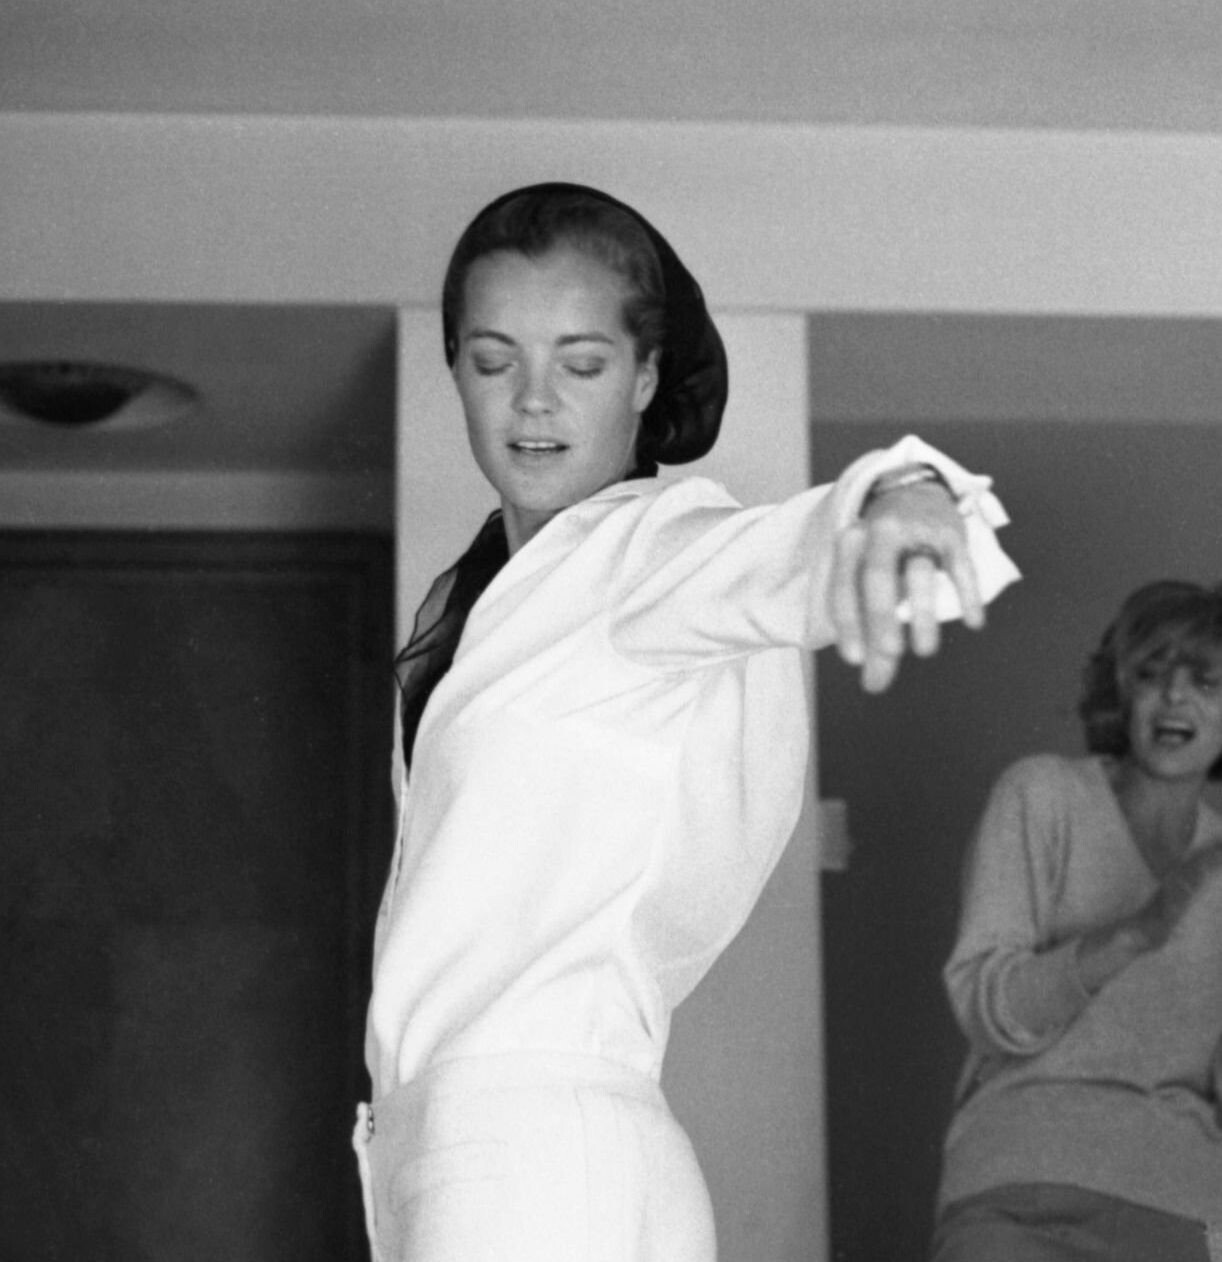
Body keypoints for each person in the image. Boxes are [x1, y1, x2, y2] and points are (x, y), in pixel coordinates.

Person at [353, 181, 1019, 1262]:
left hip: (533, 1164)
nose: (533, 401)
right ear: (457, 372)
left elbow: (782, 547)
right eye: (493, 360)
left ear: (645, 376)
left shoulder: (645, 549)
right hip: (535, 1160)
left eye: (581, 364)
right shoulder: (483, 606)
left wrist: (902, 497)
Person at [932, 581, 1222, 1262]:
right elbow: (989, 1011)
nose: (1174, 698)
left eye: (1206, 682)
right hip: (1019, 1176)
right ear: (1120, 695)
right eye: (1151, 675)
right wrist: (1129, 938)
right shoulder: (1041, 795)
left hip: (1180, 1196)